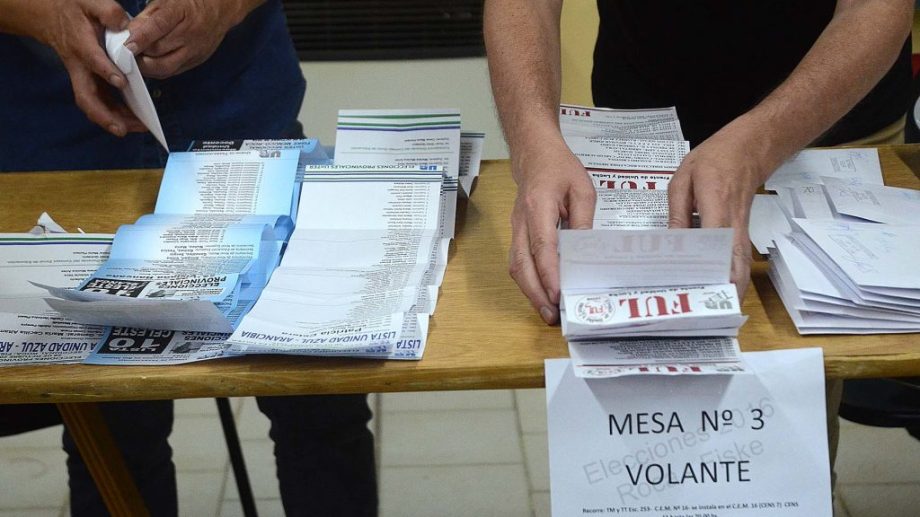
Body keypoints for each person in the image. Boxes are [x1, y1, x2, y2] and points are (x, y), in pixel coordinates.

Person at [483, 0, 913, 493]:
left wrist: (759, 145)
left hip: (823, 122)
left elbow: (876, 8)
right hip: (643, 122)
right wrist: (533, 143)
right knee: (633, 399)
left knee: (783, 403)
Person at [0, 1, 376, 515]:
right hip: (66, 145)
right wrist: (46, 15)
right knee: (113, 433)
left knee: (320, 402)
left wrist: (221, 7)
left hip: (244, 120)